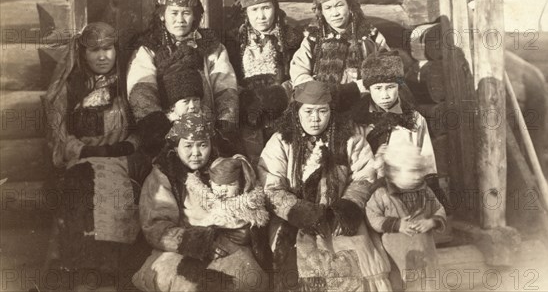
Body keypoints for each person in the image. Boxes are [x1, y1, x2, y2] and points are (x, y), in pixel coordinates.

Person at [42, 22, 149, 288]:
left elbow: (142, 128)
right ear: (83, 53)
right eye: (95, 50)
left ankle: (113, 280)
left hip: (123, 166)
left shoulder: (127, 84)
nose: (103, 56)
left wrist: (125, 148)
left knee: (122, 212)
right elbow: (58, 135)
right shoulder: (70, 88)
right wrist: (86, 150)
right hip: (80, 167)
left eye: (108, 48)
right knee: (82, 214)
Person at [258, 80, 392, 291]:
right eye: (309, 112)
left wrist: (349, 205)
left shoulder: (349, 139)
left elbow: (365, 175)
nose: (316, 119)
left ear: (331, 111)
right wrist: (299, 211)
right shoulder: (281, 142)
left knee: (358, 261)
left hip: (339, 216)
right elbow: (270, 187)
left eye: (322, 111)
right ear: (296, 112)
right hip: (295, 220)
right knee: (296, 270)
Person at [132, 113, 270, 292]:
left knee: (251, 281)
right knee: (187, 285)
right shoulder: (163, 175)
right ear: (176, 145)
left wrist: (245, 231)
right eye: (188, 146)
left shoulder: (223, 169)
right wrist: (198, 243)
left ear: (211, 145)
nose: (196, 153)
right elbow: (156, 227)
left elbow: (249, 204)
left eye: (203, 145)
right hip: (179, 247)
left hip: (226, 244)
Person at [127, 0, 239, 156]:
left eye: (186, 13)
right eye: (174, 13)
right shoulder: (148, 47)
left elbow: (225, 87)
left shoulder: (211, 46)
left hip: (206, 128)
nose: (180, 20)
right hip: (165, 129)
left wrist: (224, 126)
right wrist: (158, 130)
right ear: (162, 15)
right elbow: (141, 91)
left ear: (194, 16)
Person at [225, 0, 303, 165]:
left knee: (281, 159)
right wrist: (246, 99)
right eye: (254, 10)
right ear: (246, 13)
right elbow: (227, 75)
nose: (260, 16)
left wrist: (280, 94)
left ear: (275, 8)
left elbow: (300, 74)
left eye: (266, 8)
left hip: (283, 109)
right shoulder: (234, 41)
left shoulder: (292, 39)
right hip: (248, 111)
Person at [289, 0, 390, 108]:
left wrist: (364, 85)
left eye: (339, 5)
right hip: (323, 101)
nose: (335, 13)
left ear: (350, 6)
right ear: (321, 12)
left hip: (362, 98)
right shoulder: (314, 38)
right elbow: (299, 70)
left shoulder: (369, 35)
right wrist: (316, 90)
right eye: (328, 8)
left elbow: (387, 66)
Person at [365, 149, 446, 291]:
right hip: (397, 254)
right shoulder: (382, 194)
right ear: (394, 172)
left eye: (419, 171)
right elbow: (371, 216)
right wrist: (396, 224)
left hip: (425, 250)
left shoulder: (425, 192)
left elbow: (439, 209)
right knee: (401, 284)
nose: (417, 176)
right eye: (411, 171)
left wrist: (431, 222)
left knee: (429, 284)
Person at [350, 50, 437, 178]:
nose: (385, 96)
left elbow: (427, 163)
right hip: (365, 187)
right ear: (368, 89)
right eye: (378, 88)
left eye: (390, 87)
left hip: (405, 185)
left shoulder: (414, 119)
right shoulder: (357, 119)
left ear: (399, 87)